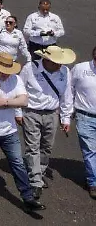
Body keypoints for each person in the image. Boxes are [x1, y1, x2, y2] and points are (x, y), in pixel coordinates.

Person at [0, 52, 46, 211]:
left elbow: (25, 100)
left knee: (18, 163)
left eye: (8, 71)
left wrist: (4, 101)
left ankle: (27, 196)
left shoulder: (16, 78)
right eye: (2, 71)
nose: (6, 75)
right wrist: (13, 102)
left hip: (9, 130)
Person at [19, 45, 75, 199]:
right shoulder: (29, 68)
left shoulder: (65, 71)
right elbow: (19, 89)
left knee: (47, 147)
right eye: (56, 62)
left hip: (52, 113)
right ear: (46, 59)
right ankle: (35, 181)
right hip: (31, 112)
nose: (59, 65)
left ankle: (41, 170)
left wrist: (66, 118)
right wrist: (18, 112)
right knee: (32, 147)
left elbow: (67, 96)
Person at [68, 46, 96, 199]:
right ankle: (93, 183)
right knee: (90, 151)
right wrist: (68, 111)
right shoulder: (80, 69)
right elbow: (69, 88)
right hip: (85, 116)